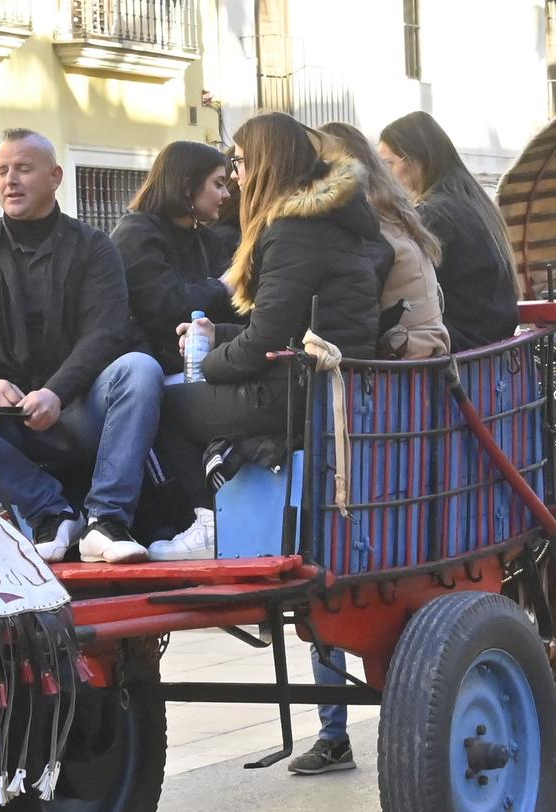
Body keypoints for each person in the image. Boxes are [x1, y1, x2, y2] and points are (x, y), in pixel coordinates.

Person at [147, 114, 391, 568]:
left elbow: (267, 341)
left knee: (164, 404)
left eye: (238, 162)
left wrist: (208, 365)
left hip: (298, 391)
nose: (235, 174)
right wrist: (217, 333)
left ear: (264, 163)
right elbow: (286, 328)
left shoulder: (294, 230)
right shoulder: (327, 220)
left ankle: (208, 523)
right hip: (318, 381)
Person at [0, 129, 162, 563]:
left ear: (55, 177)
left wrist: (57, 391)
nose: (10, 180)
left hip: (81, 410)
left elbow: (106, 333)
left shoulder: (95, 248)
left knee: (140, 369)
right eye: (1, 171)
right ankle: (50, 511)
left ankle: (106, 520)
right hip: (6, 420)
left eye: (23, 169)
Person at [378, 111, 520, 349]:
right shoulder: (473, 200)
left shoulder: (435, 214)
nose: (386, 175)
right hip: (493, 341)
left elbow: (412, 286)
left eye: (389, 164)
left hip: (463, 344)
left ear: (414, 159)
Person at [322, 122, 451, 358]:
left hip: (400, 366)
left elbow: (351, 312)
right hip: (425, 354)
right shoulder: (393, 212)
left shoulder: (369, 223)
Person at [111, 141, 239, 377]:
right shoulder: (135, 234)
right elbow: (165, 307)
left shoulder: (209, 240)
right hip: (154, 373)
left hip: (205, 368)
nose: (226, 194)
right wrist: (222, 286)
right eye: (218, 184)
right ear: (188, 187)